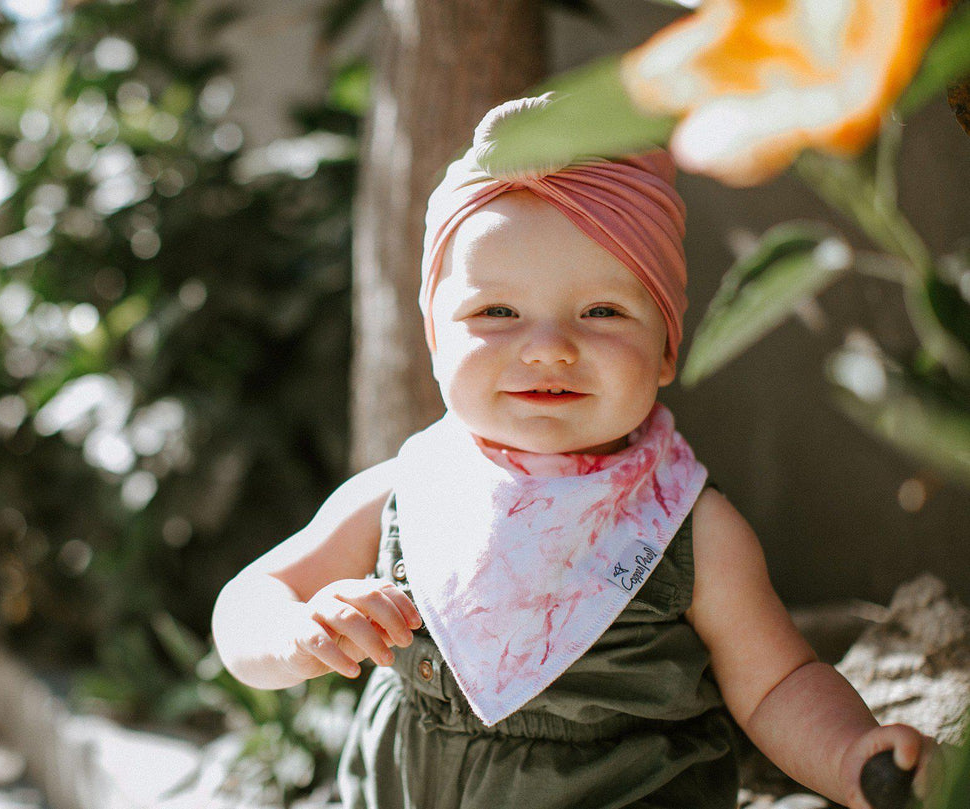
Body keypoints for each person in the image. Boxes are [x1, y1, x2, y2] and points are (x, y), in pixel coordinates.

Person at [210, 95, 939, 809]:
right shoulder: (408, 491)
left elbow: (777, 681)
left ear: (664, 350)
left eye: (602, 312)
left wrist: (850, 754)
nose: (550, 348)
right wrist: (292, 633)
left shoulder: (689, 527)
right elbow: (245, 603)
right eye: (496, 312)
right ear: (436, 338)